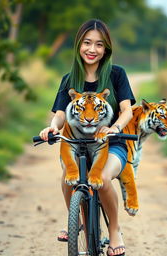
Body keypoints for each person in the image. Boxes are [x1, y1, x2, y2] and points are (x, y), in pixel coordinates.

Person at [39, 19, 136, 256]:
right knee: (66, 178)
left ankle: (114, 231)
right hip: (79, 144)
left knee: (101, 178)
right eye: (87, 43)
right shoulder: (68, 79)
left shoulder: (116, 74)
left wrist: (115, 128)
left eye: (99, 45)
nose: (92, 50)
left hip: (111, 142)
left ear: (106, 49)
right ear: (79, 45)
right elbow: (60, 115)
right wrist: (52, 127)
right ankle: (77, 219)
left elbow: (126, 111)